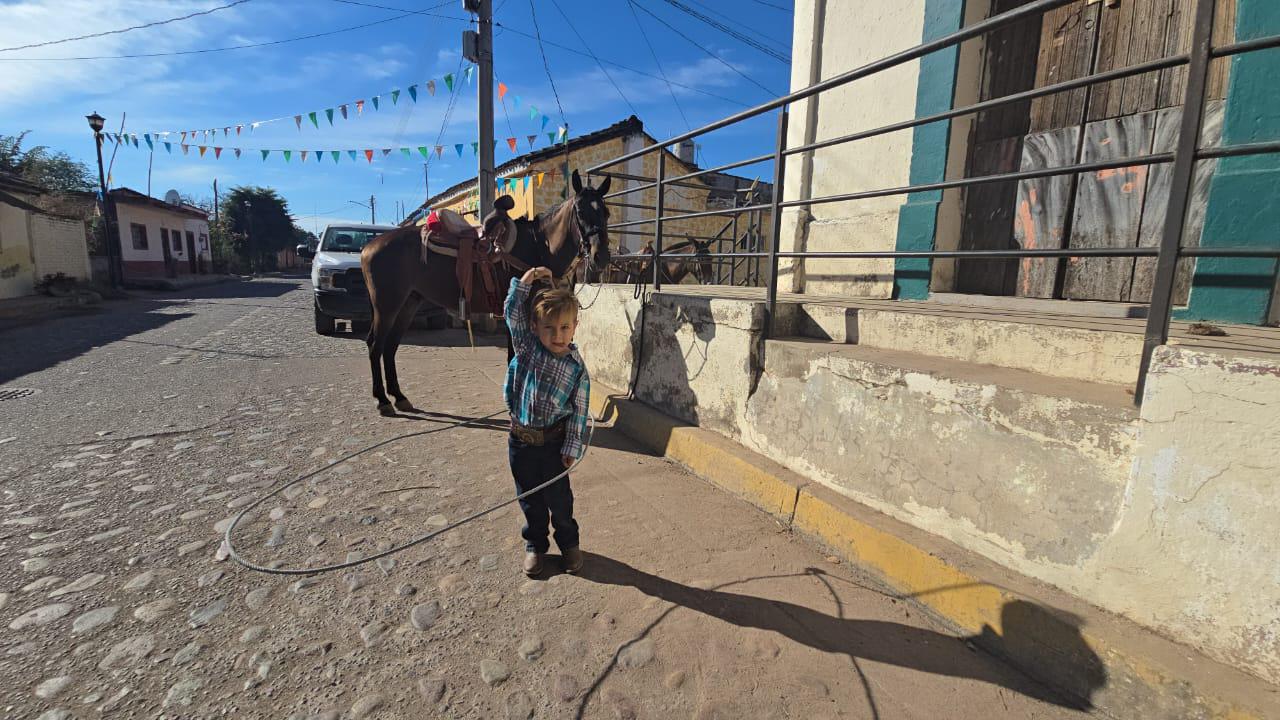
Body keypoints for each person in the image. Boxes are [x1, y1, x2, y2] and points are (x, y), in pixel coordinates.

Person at [504, 266, 590, 577]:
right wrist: (524, 283)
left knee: (560, 502)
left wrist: (571, 446)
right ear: (534, 327)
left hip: (554, 445)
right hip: (521, 442)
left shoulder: (576, 369)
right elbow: (512, 313)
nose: (558, 335)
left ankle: (568, 544)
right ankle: (535, 546)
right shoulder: (527, 348)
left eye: (565, 327)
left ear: (575, 327)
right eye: (549, 328)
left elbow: (579, 411)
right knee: (530, 500)